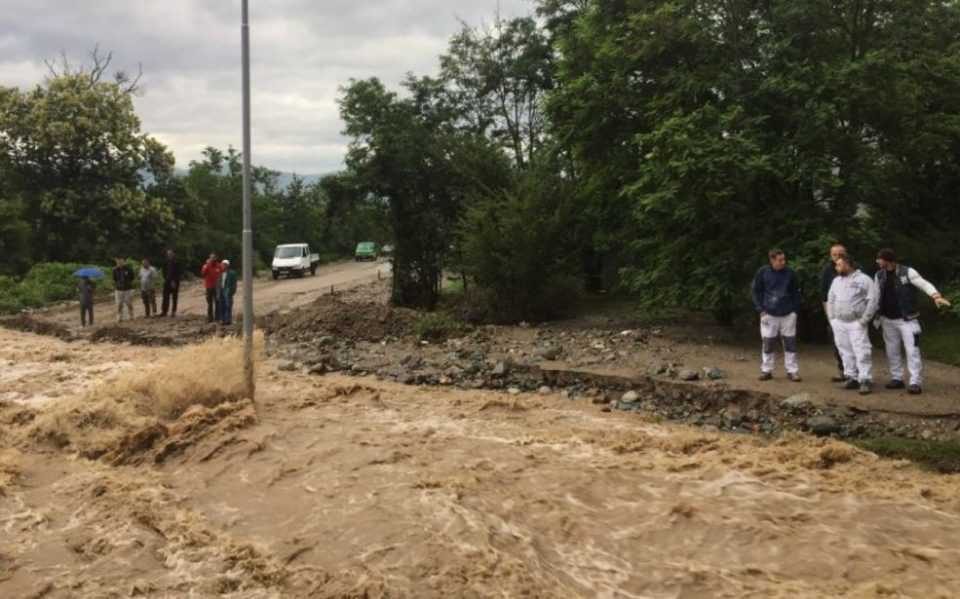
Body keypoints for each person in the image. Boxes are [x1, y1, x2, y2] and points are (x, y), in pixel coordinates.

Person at [874, 248, 952, 395]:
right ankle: (896, 378)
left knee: (912, 350)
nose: (877, 262)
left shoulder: (907, 272)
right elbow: (875, 296)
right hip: (887, 319)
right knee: (892, 350)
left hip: (907, 319)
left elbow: (924, 284)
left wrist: (935, 296)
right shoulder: (879, 275)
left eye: (879, 259)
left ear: (887, 260)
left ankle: (915, 382)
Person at [827, 255, 879, 395]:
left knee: (861, 350)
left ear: (848, 265)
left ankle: (865, 379)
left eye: (839, 264)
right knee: (844, 350)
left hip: (856, 322)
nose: (836, 267)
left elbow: (872, 301)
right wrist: (832, 318)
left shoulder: (864, 279)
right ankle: (851, 377)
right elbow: (830, 299)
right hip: (839, 322)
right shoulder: (836, 281)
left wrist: (864, 320)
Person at [751, 249, 803, 382]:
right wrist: (760, 310)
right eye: (780, 260)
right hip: (769, 313)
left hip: (788, 314)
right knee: (768, 342)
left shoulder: (790, 273)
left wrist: (795, 311)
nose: (783, 262)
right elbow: (756, 291)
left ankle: (792, 371)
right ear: (772, 260)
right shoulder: (763, 272)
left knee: (790, 342)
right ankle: (766, 370)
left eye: (784, 259)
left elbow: (797, 292)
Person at [820, 243, 849, 382]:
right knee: (838, 344)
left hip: (853, 316)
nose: (838, 257)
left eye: (841, 254)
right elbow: (824, 296)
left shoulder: (856, 269)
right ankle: (842, 371)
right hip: (835, 315)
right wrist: (829, 317)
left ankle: (858, 374)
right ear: (831, 256)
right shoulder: (827, 271)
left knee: (856, 345)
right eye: (835, 255)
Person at [112, 257, 135, 322]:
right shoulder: (114, 270)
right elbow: (114, 279)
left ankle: (131, 315)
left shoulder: (129, 269)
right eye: (118, 262)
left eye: (121, 261)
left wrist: (127, 283)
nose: (119, 263)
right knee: (119, 304)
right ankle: (119, 317)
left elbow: (132, 277)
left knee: (129, 303)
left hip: (128, 289)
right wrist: (118, 284)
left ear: (124, 262)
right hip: (118, 289)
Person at [201, 253, 223, 323]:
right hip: (209, 287)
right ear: (209, 258)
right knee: (209, 303)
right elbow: (203, 274)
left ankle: (217, 318)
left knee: (217, 302)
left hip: (217, 287)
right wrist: (206, 265)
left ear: (216, 258)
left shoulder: (219, 266)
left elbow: (222, 274)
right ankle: (210, 318)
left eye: (214, 257)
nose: (213, 259)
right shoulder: (206, 265)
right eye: (211, 257)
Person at [161, 249, 182, 317]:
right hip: (167, 281)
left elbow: (179, 273)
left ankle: (173, 311)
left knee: (174, 297)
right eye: (168, 254)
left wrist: (174, 281)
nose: (169, 255)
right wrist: (165, 279)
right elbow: (163, 271)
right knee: (165, 296)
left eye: (170, 254)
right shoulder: (165, 262)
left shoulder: (177, 262)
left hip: (175, 281)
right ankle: (164, 311)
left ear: (173, 254)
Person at [218, 259, 238, 325]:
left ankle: (228, 320)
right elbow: (218, 283)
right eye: (221, 265)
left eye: (223, 265)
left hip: (227, 291)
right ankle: (222, 320)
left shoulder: (232, 273)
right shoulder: (220, 273)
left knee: (228, 306)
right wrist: (218, 292)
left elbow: (234, 284)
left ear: (227, 265)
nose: (221, 266)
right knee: (221, 306)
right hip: (221, 290)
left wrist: (232, 291)